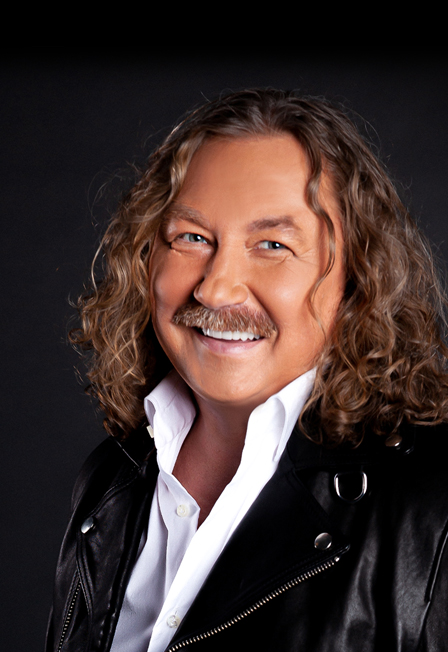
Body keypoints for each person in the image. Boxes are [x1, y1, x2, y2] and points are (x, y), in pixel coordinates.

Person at [46, 89, 448, 652]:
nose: (216, 288)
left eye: (272, 245)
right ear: (145, 257)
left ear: (357, 277)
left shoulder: (433, 507)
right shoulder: (109, 481)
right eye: (191, 238)